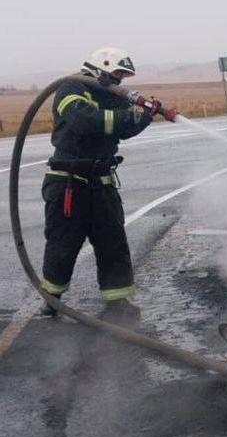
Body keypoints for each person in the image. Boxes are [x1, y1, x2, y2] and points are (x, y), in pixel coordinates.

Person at [40, 47, 155, 323]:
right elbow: (85, 121)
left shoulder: (110, 96)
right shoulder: (71, 89)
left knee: (112, 242)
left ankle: (117, 301)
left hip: (101, 182)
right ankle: (51, 300)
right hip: (69, 183)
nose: (119, 81)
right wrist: (129, 116)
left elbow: (123, 128)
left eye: (122, 77)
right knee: (62, 243)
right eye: (117, 74)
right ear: (101, 67)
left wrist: (145, 116)